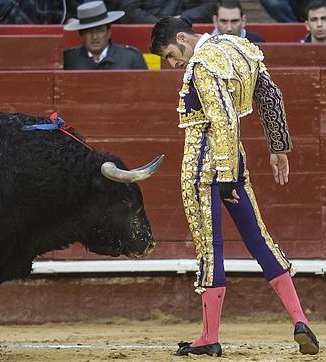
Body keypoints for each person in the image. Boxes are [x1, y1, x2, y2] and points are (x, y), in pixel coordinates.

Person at [150, 16, 320, 357]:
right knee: (260, 238)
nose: (172, 63)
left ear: (182, 38)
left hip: (205, 164)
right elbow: (269, 93)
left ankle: (209, 337)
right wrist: (278, 146)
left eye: (170, 53)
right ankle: (300, 320)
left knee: (210, 249)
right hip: (236, 159)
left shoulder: (201, 65)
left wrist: (224, 178)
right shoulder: (236, 45)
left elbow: (224, 118)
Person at [63, 1, 147, 70]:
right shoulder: (68, 59)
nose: (95, 37)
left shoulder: (131, 58)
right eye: (89, 32)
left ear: (109, 32)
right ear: (81, 34)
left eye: (100, 31)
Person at [113, 0, 215, 24]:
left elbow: (211, 5)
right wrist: (162, 23)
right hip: (147, 33)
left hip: (187, 28)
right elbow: (129, 11)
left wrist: (181, 18)